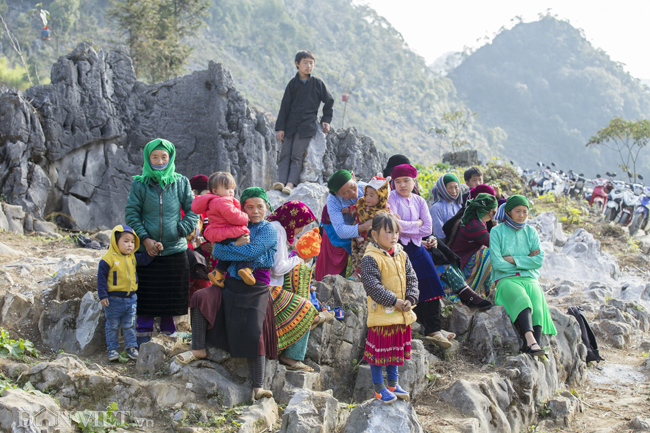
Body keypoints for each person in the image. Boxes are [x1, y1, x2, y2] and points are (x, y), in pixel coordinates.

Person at [178, 187, 278, 401]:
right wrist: (232, 247)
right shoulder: (236, 226)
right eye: (249, 207)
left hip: (255, 287)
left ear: (267, 207)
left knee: (254, 331)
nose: (255, 211)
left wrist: (228, 247)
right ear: (242, 209)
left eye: (260, 206)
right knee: (200, 297)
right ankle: (198, 349)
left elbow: (250, 252)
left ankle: (257, 387)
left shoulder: (269, 230)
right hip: (229, 284)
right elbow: (216, 250)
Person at [125, 138, 198, 347]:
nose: (159, 161)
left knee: (171, 298)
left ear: (171, 157)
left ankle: (168, 340)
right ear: (148, 158)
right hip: (147, 252)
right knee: (146, 297)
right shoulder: (139, 183)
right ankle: (142, 341)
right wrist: (145, 240)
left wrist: (181, 230)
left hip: (175, 250)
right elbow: (131, 213)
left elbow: (194, 209)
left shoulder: (181, 181)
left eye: (163, 156)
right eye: (154, 157)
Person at [388, 164, 454, 349]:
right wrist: (415, 223)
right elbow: (393, 225)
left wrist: (407, 226)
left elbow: (427, 229)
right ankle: (428, 328)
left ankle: (434, 329)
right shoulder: (390, 199)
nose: (402, 185)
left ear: (414, 181)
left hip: (418, 248)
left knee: (431, 284)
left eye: (406, 181)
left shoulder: (419, 201)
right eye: (398, 182)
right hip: (399, 250)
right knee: (409, 286)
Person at [360, 212, 419, 404]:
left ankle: (393, 384)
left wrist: (411, 298)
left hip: (401, 314)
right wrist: (395, 302)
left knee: (395, 351)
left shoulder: (402, 254)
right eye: (388, 232)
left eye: (396, 232)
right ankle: (379, 389)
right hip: (382, 315)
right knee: (378, 354)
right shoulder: (370, 258)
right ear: (375, 235)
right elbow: (372, 287)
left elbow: (411, 278)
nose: (394, 236)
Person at [267, 201, 332, 371]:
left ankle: (316, 317)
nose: (301, 230)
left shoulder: (276, 227)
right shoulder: (279, 231)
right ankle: (291, 356)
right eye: (300, 225)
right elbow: (278, 267)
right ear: (292, 221)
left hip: (271, 286)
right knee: (306, 310)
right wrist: (298, 260)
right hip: (269, 289)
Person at [490, 195, 557, 356]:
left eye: (525, 212)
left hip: (529, 278)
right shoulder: (497, 231)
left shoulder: (531, 232)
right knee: (522, 299)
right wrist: (526, 259)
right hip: (506, 279)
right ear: (509, 212)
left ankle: (536, 345)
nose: (521, 215)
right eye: (517, 211)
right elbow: (497, 263)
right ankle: (530, 340)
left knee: (537, 302)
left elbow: (538, 260)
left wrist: (512, 259)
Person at [274, 50, 334, 195]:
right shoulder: (292, 84)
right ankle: (281, 182)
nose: (309, 66)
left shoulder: (317, 83)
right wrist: (280, 128)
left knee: (296, 155)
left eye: (311, 63)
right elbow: (284, 106)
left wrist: (326, 120)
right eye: (305, 62)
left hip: (307, 126)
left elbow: (329, 101)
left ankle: (290, 183)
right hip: (290, 125)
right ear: (297, 64)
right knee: (284, 154)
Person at [97, 225, 154, 361]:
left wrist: (155, 249)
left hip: (131, 299)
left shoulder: (132, 257)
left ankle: (131, 348)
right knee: (112, 326)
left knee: (129, 325)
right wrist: (103, 296)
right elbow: (101, 280)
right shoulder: (107, 260)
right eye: (126, 241)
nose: (130, 245)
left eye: (132, 242)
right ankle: (112, 349)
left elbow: (146, 259)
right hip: (113, 300)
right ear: (115, 242)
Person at [191, 172, 255, 287]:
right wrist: (246, 217)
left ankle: (218, 272)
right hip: (227, 231)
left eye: (232, 188)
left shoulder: (214, 201)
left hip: (219, 232)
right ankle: (245, 268)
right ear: (215, 191)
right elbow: (234, 217)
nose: (231, 191)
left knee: (227, 253)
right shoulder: (222, 201)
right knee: (247, 243)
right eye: (227, 188)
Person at [314, 170, 372, 280]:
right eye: (345, 193)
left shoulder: (365, 188)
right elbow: (340, 230)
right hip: (334, 227)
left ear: (353, 177)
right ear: (337, 194)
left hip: (359, 224)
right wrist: (364, 227)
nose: (352, 192)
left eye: (352, 186)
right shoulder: (333, 201)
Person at [451, 193, 499, 297]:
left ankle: (485, 289)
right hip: (461, 267)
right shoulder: (475, 226)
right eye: (494, 212)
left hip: (464, 260)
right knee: (489, 254)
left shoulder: (475, 220)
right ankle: (486, 292)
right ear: (489, 212)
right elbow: (495, 244)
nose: (494, 215)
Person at [351, 177, 391, 275]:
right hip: (357, 237)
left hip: (370, 239)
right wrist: (349, 210)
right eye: (366, 194)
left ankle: (360, 274)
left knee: (365, 255)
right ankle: (355, 272)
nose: (367, 197)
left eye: (371, 195)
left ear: (381, 196)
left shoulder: (383, 213)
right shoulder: (362, 204)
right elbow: (357, 210)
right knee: (355, 254)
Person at [429, 173, 463, 244]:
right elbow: (439, 234)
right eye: (450, 188)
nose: (454, 191)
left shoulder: (458, 205)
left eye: (456, 187)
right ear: (442, 189)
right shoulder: (436, 208)